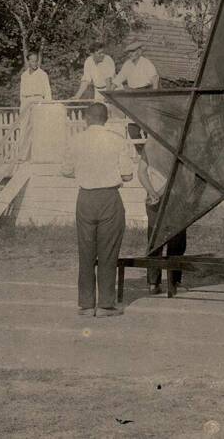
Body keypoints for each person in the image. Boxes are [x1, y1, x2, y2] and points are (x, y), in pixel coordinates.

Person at [61, 103, 135, 317]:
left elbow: (65, 171)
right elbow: (128, 175)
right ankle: (105, 305)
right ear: (106, 118)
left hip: (85, 197)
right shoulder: (117, 140)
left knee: (85, 252)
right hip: (109, 198)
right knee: (108, 252)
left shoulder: (75, 140)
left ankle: (85, 304)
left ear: (86, 118)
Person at [136, 138, 183, 296]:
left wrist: (151, 192)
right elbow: (175, 176)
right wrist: (156, 193)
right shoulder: (176, 142)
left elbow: (141, 172)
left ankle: (153, 283)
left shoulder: (151, 143)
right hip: (171, 196)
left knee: (155, 239)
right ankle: (172, 281)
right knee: (176, 239)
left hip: (156, 197)